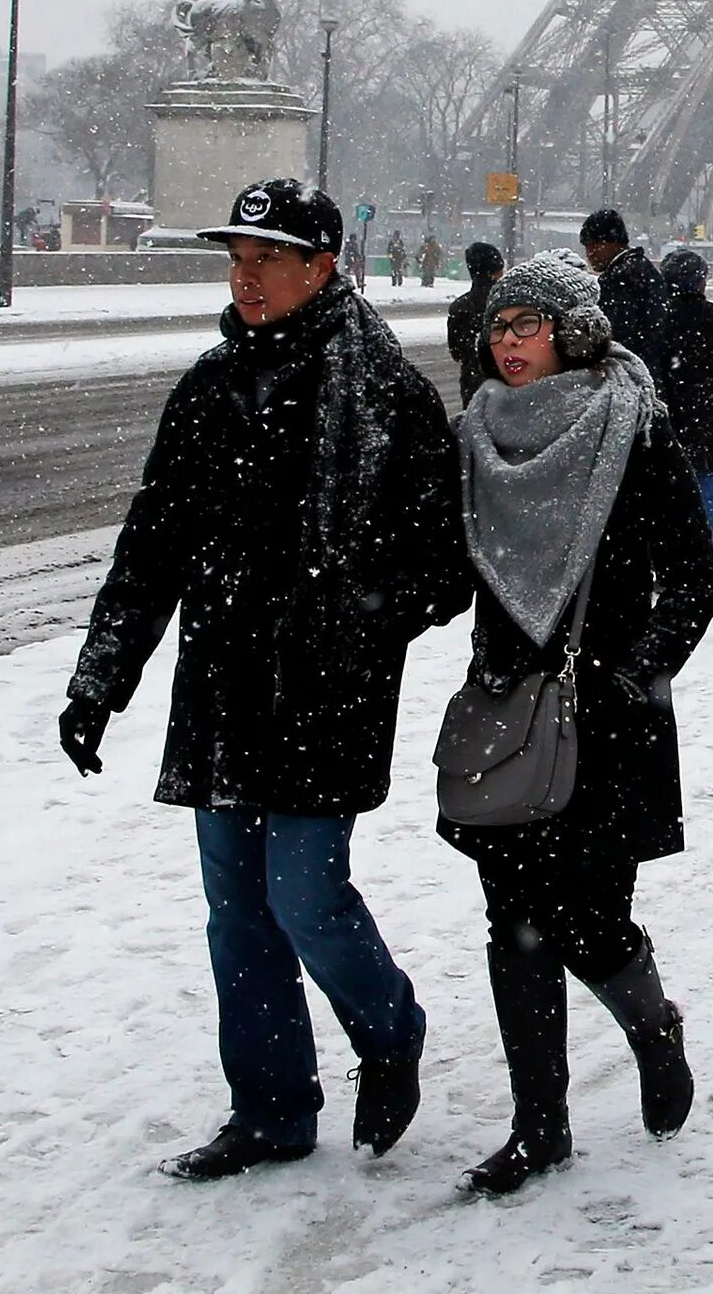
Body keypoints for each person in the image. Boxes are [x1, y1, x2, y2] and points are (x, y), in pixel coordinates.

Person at [57, 178, 467, 1181]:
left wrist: (362, 619)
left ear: (321, 267)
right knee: (237, 911)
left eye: (266, 257)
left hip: (328, 695)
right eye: (237, 257)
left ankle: (390, 1028)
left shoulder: (385, 393)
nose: (244, 276)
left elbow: (447, 559)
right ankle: (273, 1106)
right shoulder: (209, 386)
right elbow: (151, 543)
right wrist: (99, 678)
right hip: (225, 691)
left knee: (304, 897)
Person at [448, 251, 713, 1197]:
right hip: (508, 711)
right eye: (499, 327)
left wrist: (629, 671)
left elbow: (695, 577)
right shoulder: (478, 433)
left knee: (592, 921)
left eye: (527, 325)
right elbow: (452, 573)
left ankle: (654, 1028)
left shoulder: (632, 427)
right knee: (514, 920)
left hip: (607, 721)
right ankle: (540, 1126)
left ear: (573, 331)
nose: (509, 344)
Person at [659, 248, 713, 548]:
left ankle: (672, 560)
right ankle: (709, 555)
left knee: (668, 491)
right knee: (708, 485)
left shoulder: (660, 319)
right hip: (711, 413)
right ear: (701, 282)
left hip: (670, 414)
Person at [581, 208, 674, 396]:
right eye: (587, 247)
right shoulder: (645, 269)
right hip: (652, 374)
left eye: (594, 245)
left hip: (628, 380)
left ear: (614, 242)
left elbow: (616, 334)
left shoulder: (618, 279)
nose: (590, 253)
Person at [446, 241, 507, 406]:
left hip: (472, 384)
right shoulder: (507, 303)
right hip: (506, 382)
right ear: (494, 272)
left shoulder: (459, 307)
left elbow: (457, 352)